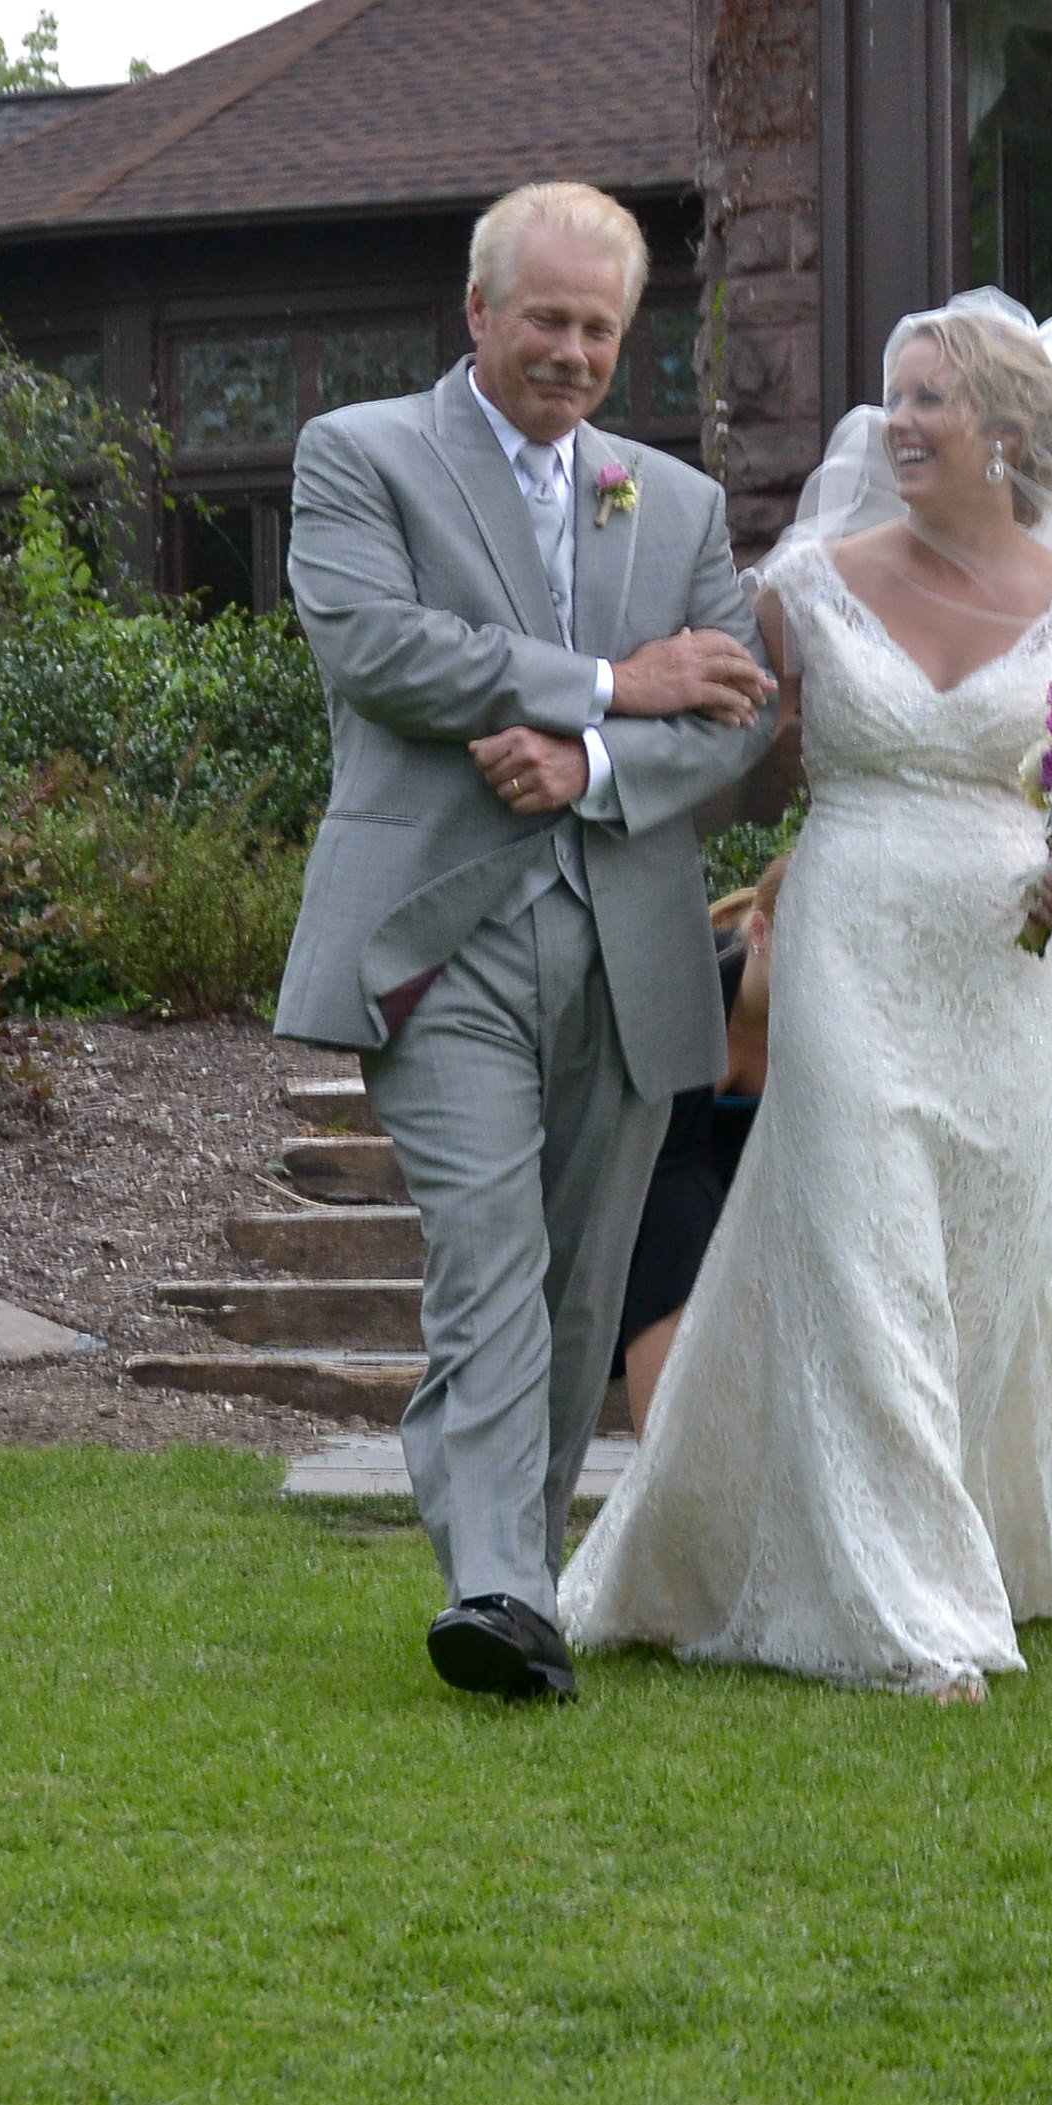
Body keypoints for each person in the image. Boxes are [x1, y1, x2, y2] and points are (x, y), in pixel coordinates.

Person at [560, 288, 1052, 1702]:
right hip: (848, 940)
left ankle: (967, 1529)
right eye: (897, 394)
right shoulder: (807, 585)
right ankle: (911, 1609)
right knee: (865, 1238)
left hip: (1005, 973)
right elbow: (736, 761)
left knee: (980, 1248)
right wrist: (596, 756)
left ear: (1009, 431)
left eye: (932, 397)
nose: (899, 420)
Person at [275, 180, 777, 1705]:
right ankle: (493, 1579)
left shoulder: (673, 503)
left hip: (628, 937)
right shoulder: (361, 456)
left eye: (599, 328)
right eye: (545, 319)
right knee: (489, 1258)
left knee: (580, 1283)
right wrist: (616, 687)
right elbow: (380, 651)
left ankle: (523, 1578)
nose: (570, 351)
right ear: (479, 309)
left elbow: (734, 718)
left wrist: (597, 766)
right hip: (440, 939)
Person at [613, 854, 785, 1434]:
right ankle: (660, 1459)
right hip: (649, 1194)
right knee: (679, 1214)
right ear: (759, 933)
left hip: (749, 1196)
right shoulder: (688, 986)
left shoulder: (818, 1027)